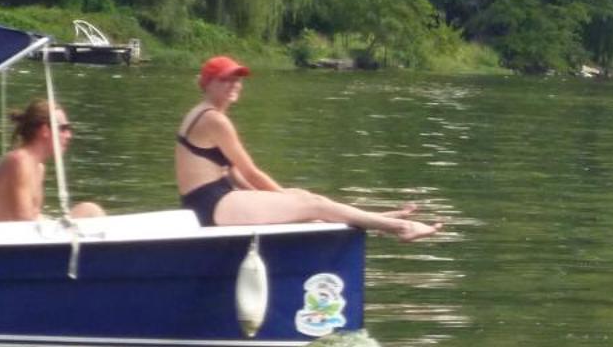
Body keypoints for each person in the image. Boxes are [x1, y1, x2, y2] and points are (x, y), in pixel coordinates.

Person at [174, 56, 438, 238]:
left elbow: (234, 175)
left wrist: (287, 197)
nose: (234, 85)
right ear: (207, 83)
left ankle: (371, 220)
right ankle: (401, 227)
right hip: (214, 205)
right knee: (311, 203)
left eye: (237, 79)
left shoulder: (205, 114)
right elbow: (252, 173)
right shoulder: (214, 119)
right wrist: (287, 200)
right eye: (225, 80)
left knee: (303, 197)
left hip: (214, 201)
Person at [0, 98, 106, 223]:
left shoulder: (38, 167)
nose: (69, 135)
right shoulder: (20, 161)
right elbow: (23, 221)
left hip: (26, 236)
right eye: (63, 128)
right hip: (8, 240)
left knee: (89, 210)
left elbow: (33, 216)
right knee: (91, 211)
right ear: (45, 130)